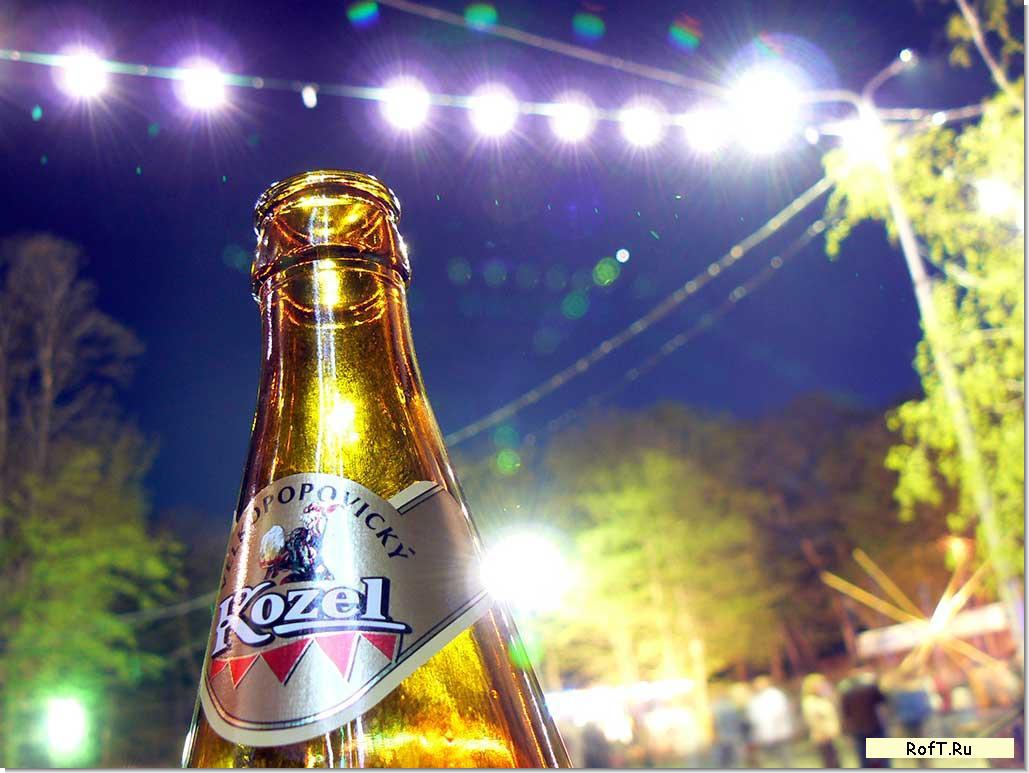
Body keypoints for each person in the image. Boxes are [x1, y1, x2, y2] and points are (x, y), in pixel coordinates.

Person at [839, 671, 888, 768]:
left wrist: (847, 729)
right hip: (874, 725)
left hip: (858, 727)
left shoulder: (846, 690)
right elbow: (882, 700)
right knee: (881, 755)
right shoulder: (871, 687)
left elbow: (845, 712)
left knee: (863, 756)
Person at [746, 676, 795, 767]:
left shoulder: (775, 695)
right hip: (764, 735)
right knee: (768, 760)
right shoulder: (756, 698)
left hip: (779, 732)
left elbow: (781, 712)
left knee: (784, 757)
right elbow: (753, 716)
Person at [801, 673, 842, 768]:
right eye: (819, 684)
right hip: (823, 736)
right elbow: (813, 720)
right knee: (830, 762)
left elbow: (835, 706)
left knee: (835, 760)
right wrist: (821, 733)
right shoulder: (810, 701)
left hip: (831, 735)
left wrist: (829, 693)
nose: (822, 685)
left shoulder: (823, 698)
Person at [711, 683, 748, 767]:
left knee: (723, 763)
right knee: (733, 762)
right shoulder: (733, 705)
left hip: (723, 737)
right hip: (733, 737)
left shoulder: (716, 706)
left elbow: (713, 723)